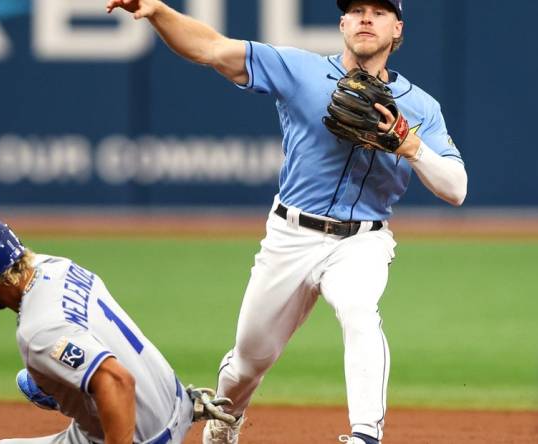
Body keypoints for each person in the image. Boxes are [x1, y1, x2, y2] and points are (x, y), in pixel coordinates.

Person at [106, 1, 468, 443]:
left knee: (359, 312)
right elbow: (212, 50)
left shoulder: (421, 107)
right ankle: (226, 417)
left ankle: (365, 434)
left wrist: (412, 148)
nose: (366, 18)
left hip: (362, 242)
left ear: (397, 29)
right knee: (248, 362)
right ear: (342, 24)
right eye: (355, 10)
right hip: (290, 236)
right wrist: (159, 10)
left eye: (378, 11)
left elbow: (456, 188)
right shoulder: (301, 71)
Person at [0, 215, 233, 444]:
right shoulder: (53, 265)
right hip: (176, 404)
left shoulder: (38, 330)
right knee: (37, 379)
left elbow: (117, 382)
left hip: (139, 435)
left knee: (61, 377)